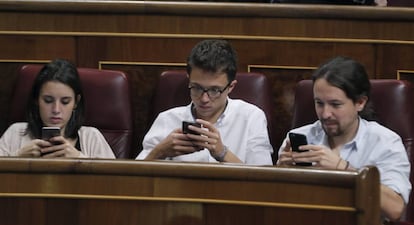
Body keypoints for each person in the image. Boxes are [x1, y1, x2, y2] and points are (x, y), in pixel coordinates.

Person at [277, 56, 411, 221]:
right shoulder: (301, 137)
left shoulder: (385, 142)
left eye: (335, 104)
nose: (325, 114)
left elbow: (395, 209)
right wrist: (280, 176)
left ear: (360, 103)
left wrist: (344, 169)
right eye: (319, 103)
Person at [137, 39, 273, 165]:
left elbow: (264, 180)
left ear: (231, 87)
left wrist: (222, 153)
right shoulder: (167, 119)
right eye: (197, 88)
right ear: (189, 80)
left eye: (214, 90)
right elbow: (135, 178)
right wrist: (160, 152)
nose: (204, 99)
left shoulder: (251, 117)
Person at [0, 59, 115, 158]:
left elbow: (116, 181)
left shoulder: (91, 137)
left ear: (76, 102)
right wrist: (17, 158)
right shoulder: (15, 133)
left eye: (65, 102)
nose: (56, 109)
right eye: (48, 101)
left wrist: (79, 158)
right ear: (36, 100)